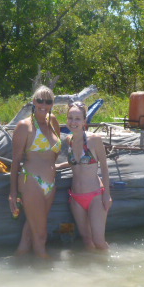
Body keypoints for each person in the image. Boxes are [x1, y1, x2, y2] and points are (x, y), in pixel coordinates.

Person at [9, 86, 62, 258]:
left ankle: (19, 260)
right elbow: (16, 161)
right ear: (33, 101)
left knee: (29, 233)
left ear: (52, 104)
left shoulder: (53, 122)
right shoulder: (24, 126)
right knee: (41, 235)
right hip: (32, 181)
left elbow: (54, 155)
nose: (43, 104)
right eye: (40, 100)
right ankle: (46, 274)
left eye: (48, 101)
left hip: (50, 183)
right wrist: (13, 193)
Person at [58, 101, 112, 250]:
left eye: (77, 118)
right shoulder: (68, 140)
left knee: (99, 242)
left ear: (84, 120)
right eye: (70, 118)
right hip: (76, 197)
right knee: (87, 241)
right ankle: (92, 271)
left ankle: (110, 268)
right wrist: (58, 166)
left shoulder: (94, 140)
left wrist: (107, 194)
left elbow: (105, 167)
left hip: (95, 195)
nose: (73, 122)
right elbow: (75, 163)